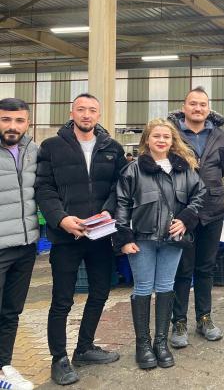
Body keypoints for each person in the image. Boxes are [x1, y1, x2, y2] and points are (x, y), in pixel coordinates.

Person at [35, 93, 126, 385]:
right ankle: (59, 358)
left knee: (100, 292)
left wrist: (108, 211)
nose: (87, 115)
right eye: (81, 109)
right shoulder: (51, 147)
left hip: (100, 235)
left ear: (99, 114)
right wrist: (61, 219)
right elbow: (44, 188)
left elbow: (120, 187)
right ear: (71, 112)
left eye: (92, 110)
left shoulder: (112, 148)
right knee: (62, 299)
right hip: (66, 237)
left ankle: (84, 348)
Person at [114, 119, 205, 370]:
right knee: (143, 287)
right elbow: (121, 204)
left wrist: (186, 218)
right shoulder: (133, 170)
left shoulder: (184, 168)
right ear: (147, 140)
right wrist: (124, 239)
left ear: (173, 140)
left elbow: (200, 194)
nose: (161, 140)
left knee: (165, 286)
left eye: (166, 136)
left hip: (172, 240)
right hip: (141, 239)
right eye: (156, 136)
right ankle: (143, 345)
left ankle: (161, 343)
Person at [167, 87, 224, 347]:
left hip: (212, 210)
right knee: (183, 269)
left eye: (203, 104)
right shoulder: (171, 133)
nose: (198, 108)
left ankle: (204, 318)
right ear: (184, 107)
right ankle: (179, 322)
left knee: (206, 267)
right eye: (193, 104)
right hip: (182, 211)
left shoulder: (220, 135)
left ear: (208, 108)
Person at [0, 98, 39, 390]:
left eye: (19, 120)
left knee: (11, 312)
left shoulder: (33, 151)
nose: (12, 126)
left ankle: (4, 366)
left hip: (26, 246)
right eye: (5, 119)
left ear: (27, 123)